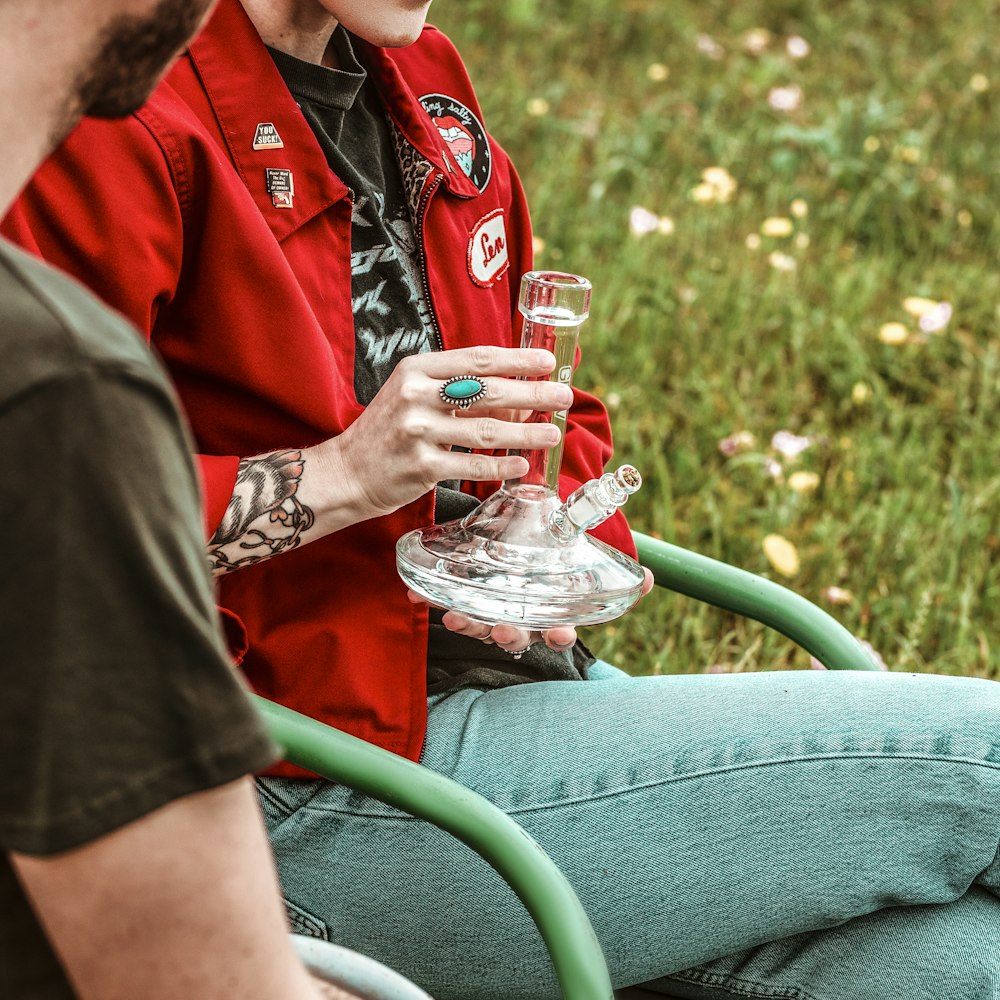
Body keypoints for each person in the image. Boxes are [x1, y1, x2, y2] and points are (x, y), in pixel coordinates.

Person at [5, 1, 1000, 999]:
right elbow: (54, 524)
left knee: (960, 962)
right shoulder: (117, 114)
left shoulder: (420, 81)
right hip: (294, 787)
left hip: (511, 706)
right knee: (982, 762)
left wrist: (551, 549)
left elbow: (549, 409)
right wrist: (345, 472)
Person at [0, 2, 442, 998]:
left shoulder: (419, 83)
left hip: (460, 670)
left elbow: (546, 385)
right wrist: (346, 476)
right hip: (314, 745)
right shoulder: (55, 387)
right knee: (884, 762)